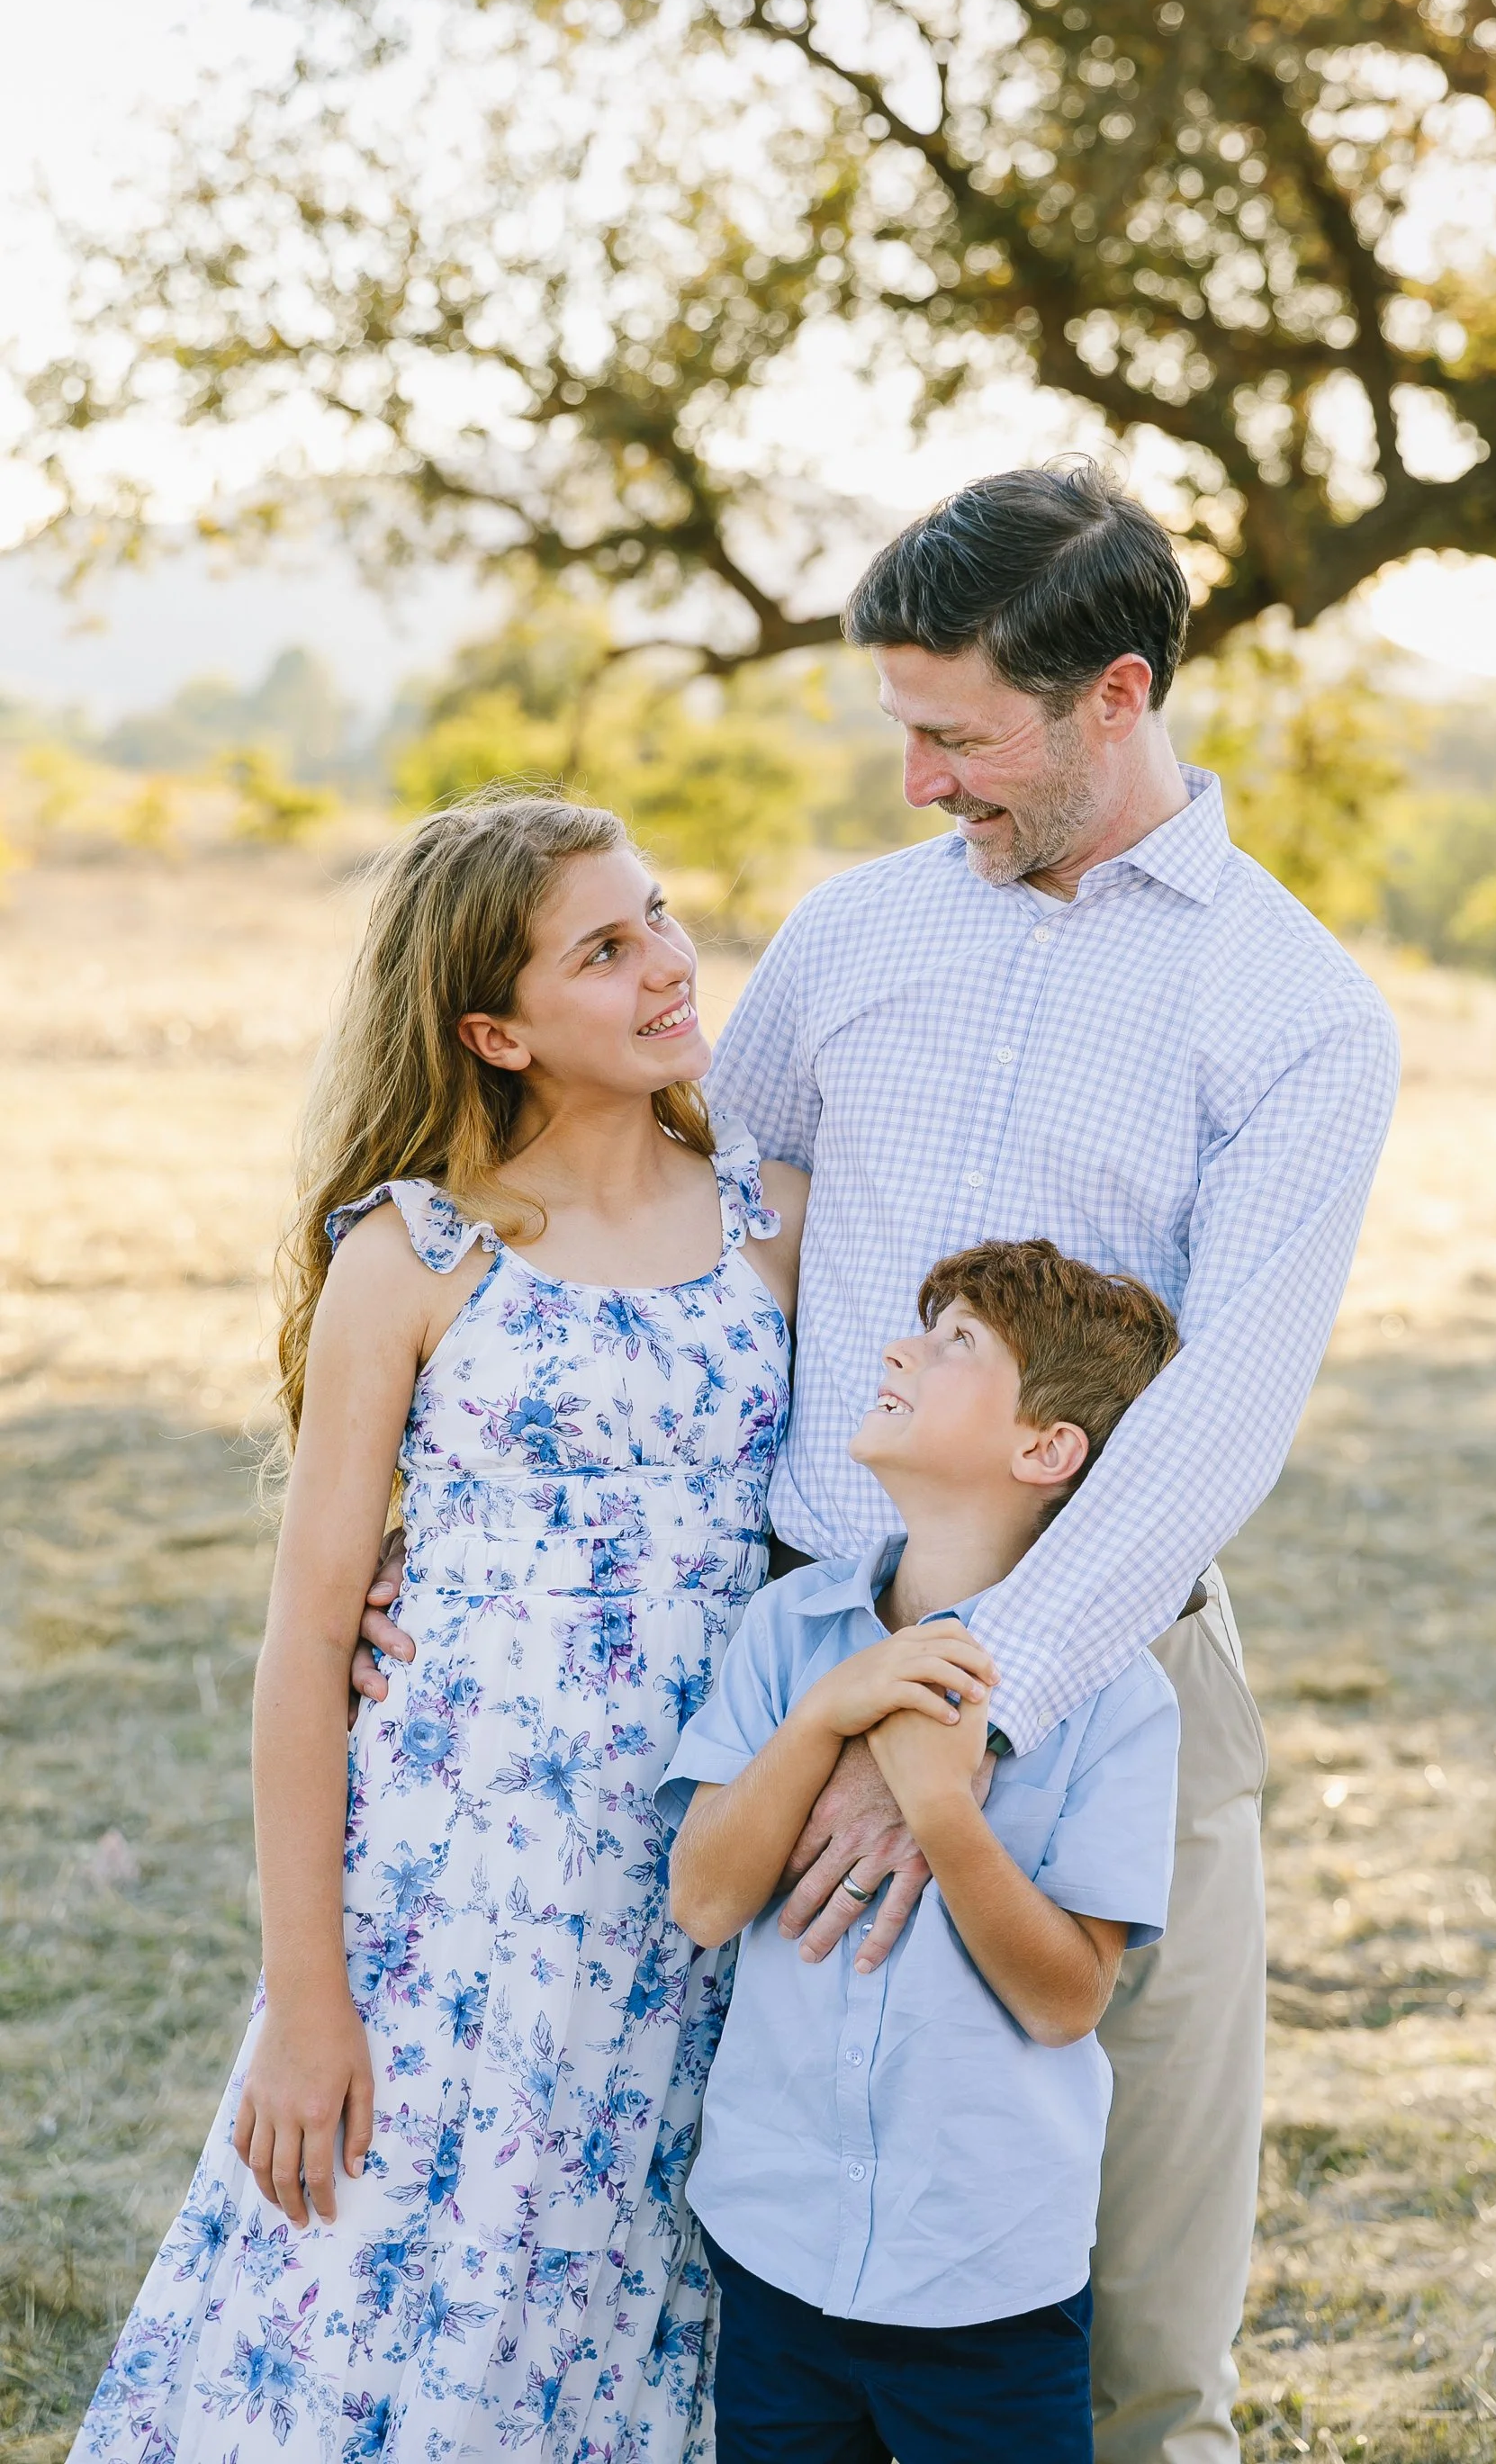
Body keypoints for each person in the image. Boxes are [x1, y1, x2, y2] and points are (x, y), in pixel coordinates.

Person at [356, 461, 1401, 2458]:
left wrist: (962, 1718)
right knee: (757, 2280)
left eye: (959, 738)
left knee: (1131, 2338)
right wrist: (465, 1515)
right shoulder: (849, 939)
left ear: (1114, 695)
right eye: (902, 731)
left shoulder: (1293, 1015)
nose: (918, 781)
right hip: (788, 1656)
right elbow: (669, 1240)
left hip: (1111, 1682)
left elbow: (1219, 1419)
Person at [72, 792, 805, 2464]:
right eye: (602, 950)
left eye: (659, 914)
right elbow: (305, 1650)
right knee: (382, 2283)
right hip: (457, 1890)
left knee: (623, 2292)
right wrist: (305, 2002)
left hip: (701, 1872)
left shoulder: (775, 1223)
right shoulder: (420, 1255)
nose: (667, 962)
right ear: (495, 1031)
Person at [661, 1240, 1184, 2464]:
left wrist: (942, 1810)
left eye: (957, 1342)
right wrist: (823, 1719)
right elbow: (703, 1899)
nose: (900, 1348)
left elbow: (1066, 2001)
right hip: (776, 2247)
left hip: (984, 2280)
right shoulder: (792, 1631)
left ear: (1047, 1450)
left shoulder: (1116, 1702)